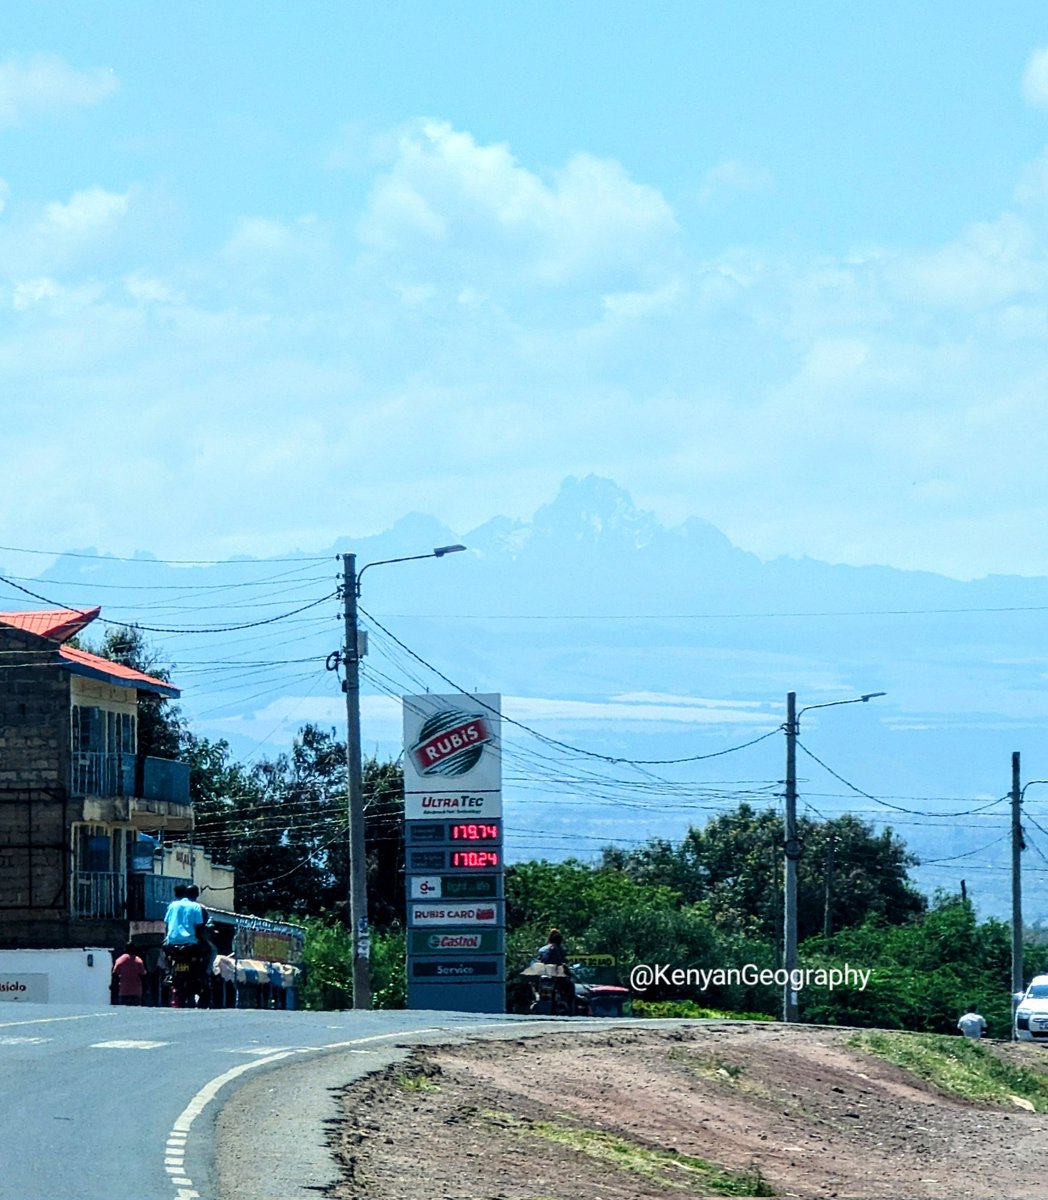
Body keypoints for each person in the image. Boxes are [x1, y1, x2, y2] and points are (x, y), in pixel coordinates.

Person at [536, 928, 574, 1014]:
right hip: (556, 977)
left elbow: (537, 962)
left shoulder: (542, 949)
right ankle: (570, 1009)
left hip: (542, 975)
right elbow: (563, 964)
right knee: (571, 987)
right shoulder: (560, 950)